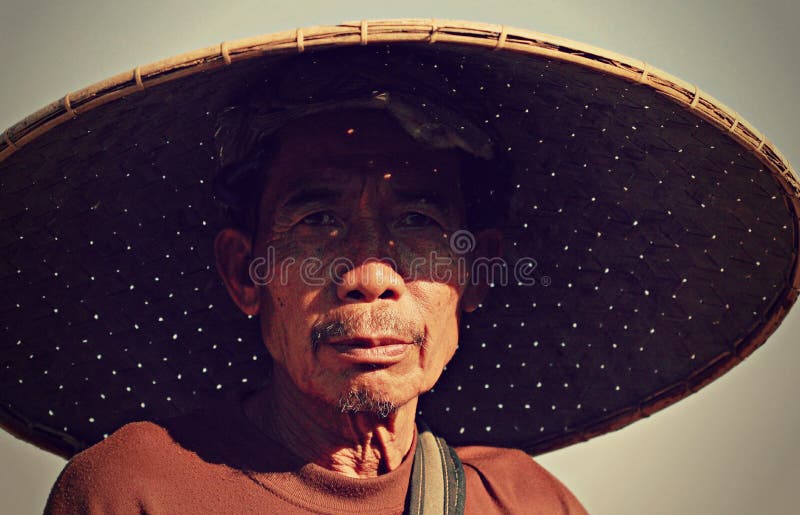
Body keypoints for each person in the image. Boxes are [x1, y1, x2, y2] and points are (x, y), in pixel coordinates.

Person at [1, 19, 797, 515]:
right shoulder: (133, 491)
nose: (371, 274)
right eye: (317, 220)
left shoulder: (523, 502)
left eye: (416, 221)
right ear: (247, 273)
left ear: (476, 274)